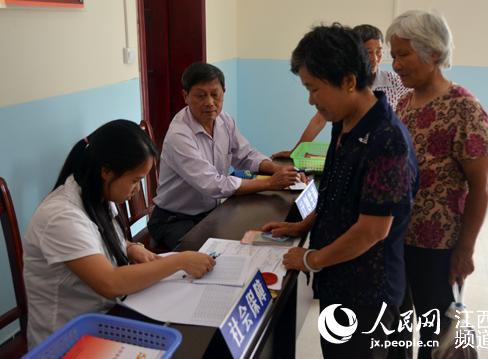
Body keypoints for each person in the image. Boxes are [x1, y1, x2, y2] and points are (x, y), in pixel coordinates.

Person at [262, 24, 418, 358]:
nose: (310, 99)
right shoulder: (343, 124)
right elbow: (336, 194)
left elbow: (372, 230)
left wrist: (311, 259)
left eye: (314, 88)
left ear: (348, 81)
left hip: (367, 292)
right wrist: (304, 226)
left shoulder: (386, 139)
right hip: (338, 277)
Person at [23, 120, 215, 348]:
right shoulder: (60, 217)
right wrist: (179, 261)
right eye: (135, 180)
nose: (137, 190)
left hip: (106, 317)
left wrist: (129, 247)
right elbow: (110, 283)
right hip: (66, 341)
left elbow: (97, 236)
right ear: (106, 171)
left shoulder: (96, 194)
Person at [387, 10, 488, 358]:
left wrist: (465, 249)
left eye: (403, 54)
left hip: (439, 244)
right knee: (396, 325)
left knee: (436, 333)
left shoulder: (464, 107)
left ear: (432, 52)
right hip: (398, 235)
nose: (396, 64)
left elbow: (481, 184)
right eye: (393, 54)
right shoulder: (403, 103)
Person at [149, 62, 300, 250]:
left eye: (215, 94)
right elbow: (213, 184)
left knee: (253, 240)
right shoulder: (179, 135)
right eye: (201, 95)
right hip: (174, 219)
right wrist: (271, 183)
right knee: (211, 259)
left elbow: (245, 155)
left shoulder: (225, 121)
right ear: (185, 96)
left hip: (210, 212)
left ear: (224, 93)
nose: (210, 102)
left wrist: (278, 169)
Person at [272, 24, 409, 159]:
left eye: (378, 52)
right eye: (368, 52)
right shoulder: (339, 127)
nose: (374, 58)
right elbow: (319, 120)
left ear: (350, 82)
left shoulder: (388, 138)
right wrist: (296, 152)